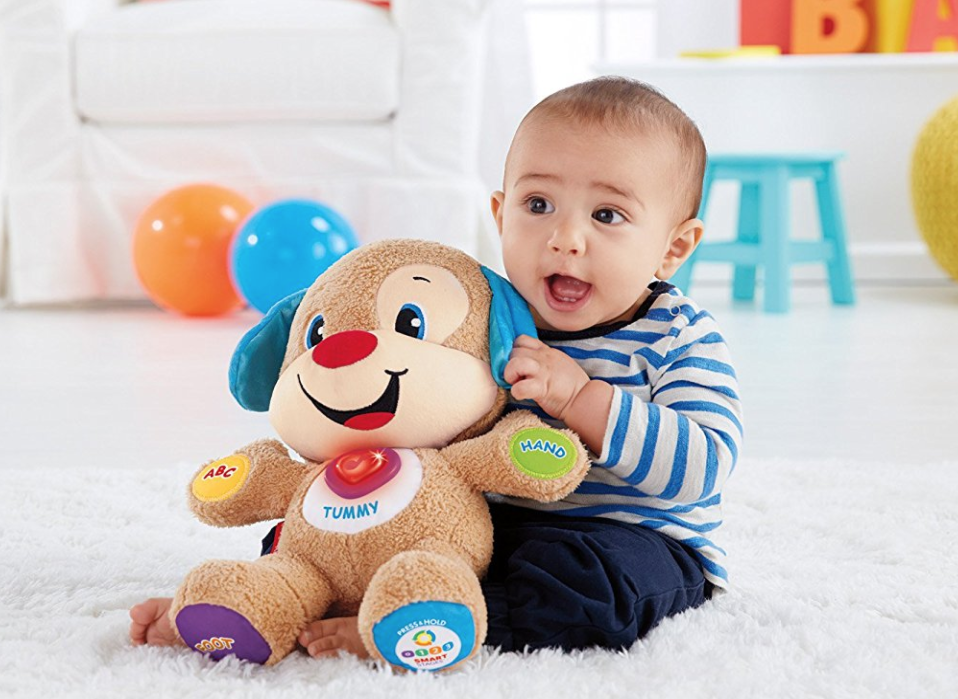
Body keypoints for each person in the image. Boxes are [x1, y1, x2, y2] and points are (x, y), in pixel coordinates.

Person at [130, 76, 743, 659]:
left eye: (606, 216)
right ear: (500, 215)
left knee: (591, 590)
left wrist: (581, 398)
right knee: (339, 521)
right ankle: (259, 603)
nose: (565, 238)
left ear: (674, 246)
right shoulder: (488, 315)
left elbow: (702, 468)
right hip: (489, 521)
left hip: (629, 538)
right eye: (538, 204)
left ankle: (444, 623)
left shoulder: (677, 337)